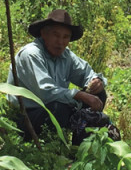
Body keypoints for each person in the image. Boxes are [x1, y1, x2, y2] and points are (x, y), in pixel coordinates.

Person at [7, 9, 108, 142]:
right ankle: (50, 148)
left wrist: (96, 81)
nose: (60, 42)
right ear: (44, 34)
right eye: (56, 35)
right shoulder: (31, 54)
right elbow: (46, 92)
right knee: (59, 108)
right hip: (26, 115)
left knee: (99, 94)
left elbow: (86, 73)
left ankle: (80, 145)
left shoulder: (65, 55)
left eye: (65, 37)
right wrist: (79, 94)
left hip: (52, 108)